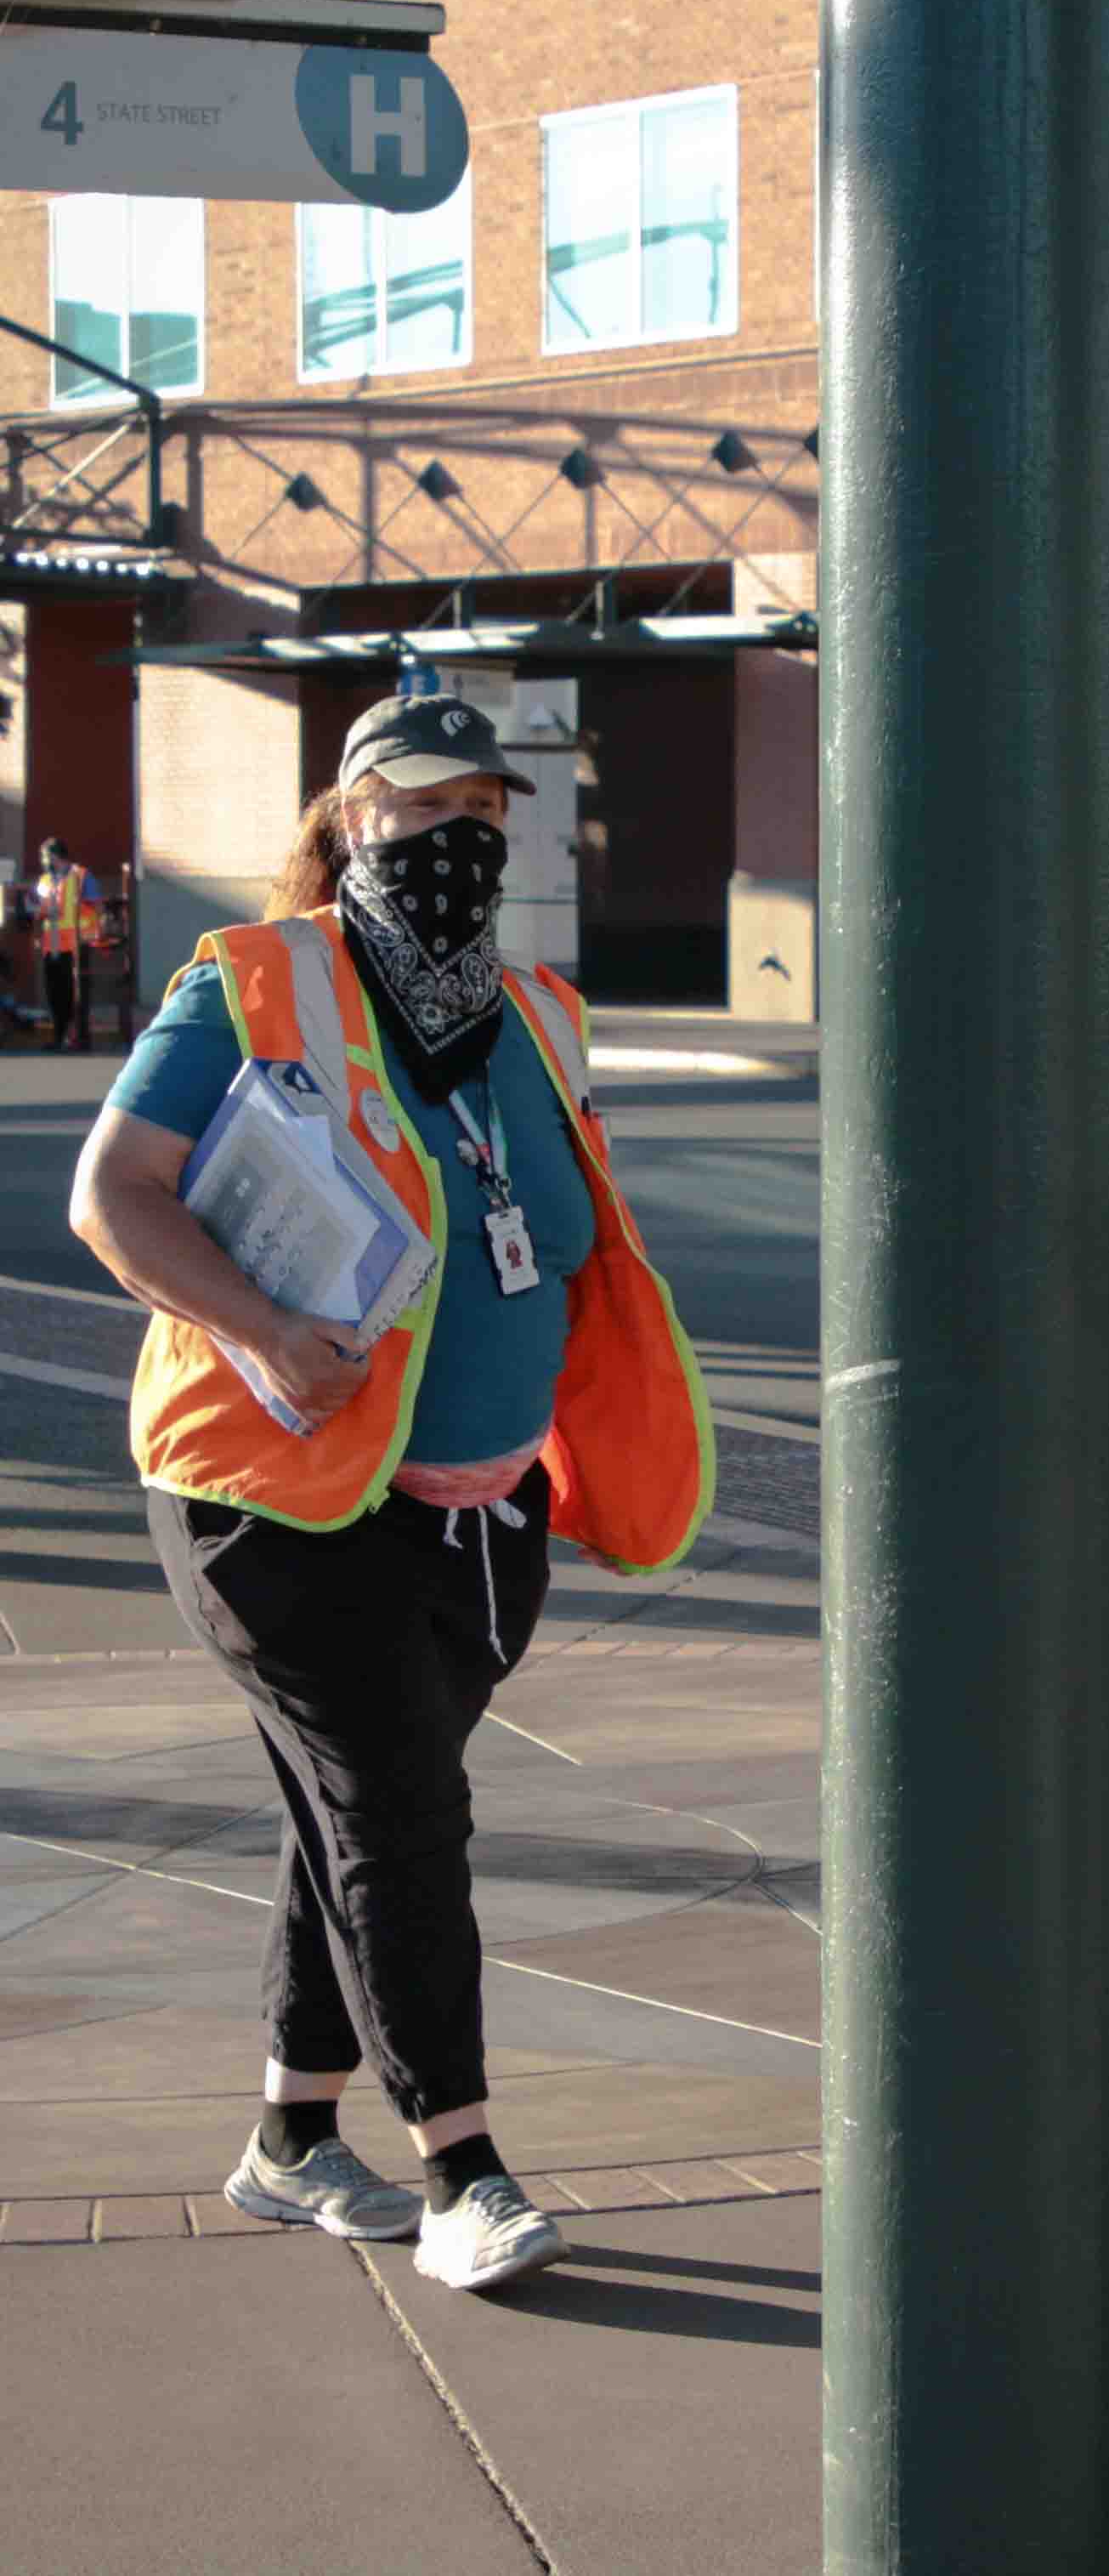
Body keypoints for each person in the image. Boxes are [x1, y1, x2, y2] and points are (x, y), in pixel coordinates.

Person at [70, 694, 714, 2291]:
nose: (458, 843)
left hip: (480, 1511)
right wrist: (270, 1326)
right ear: (352, 818)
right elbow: (113, 1195)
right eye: (421, 813)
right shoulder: (257, 984)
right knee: (399, 1812)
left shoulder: (542, 1017)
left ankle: (293, 2136)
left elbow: (557, 1243)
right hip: (278, 1497)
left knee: (350, 1811)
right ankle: (464, 2168)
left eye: (485, 813)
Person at [33, 836, 102, 1052]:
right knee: (55, 994)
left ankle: (79, 1038)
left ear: (55, 856)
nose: (44, 861)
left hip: (75, 946)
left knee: (76, 994)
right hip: (52, 947)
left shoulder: (81, 876)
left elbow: (96, 906)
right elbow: (39, 910)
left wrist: (91, 931)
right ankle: (59, 1037)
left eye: (47, 857)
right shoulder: (44, 881)